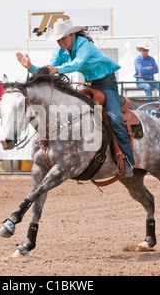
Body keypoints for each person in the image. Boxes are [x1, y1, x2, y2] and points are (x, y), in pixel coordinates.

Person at [16, 19, 134, 177]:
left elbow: (77, 64)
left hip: (106, 84)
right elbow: (49, 70)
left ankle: (127, 160)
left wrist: (57, 68)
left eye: (63, 38)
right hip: (89, 83)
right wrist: (31, 67)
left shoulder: (84, 45)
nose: (60, 42)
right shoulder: (60, 51)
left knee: (115, 118)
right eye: (58, 39)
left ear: (72, 36)